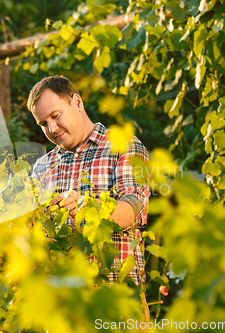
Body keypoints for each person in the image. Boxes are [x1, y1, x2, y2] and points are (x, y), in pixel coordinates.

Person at [27, 75, 150, 285]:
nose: (52, 128)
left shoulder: (123, 145)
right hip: (63, 304)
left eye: (55, 116)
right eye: (43, 124)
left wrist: (85, 206)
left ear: (77, 102)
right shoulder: (41, 167)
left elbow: (134, 210)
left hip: (116, 301)